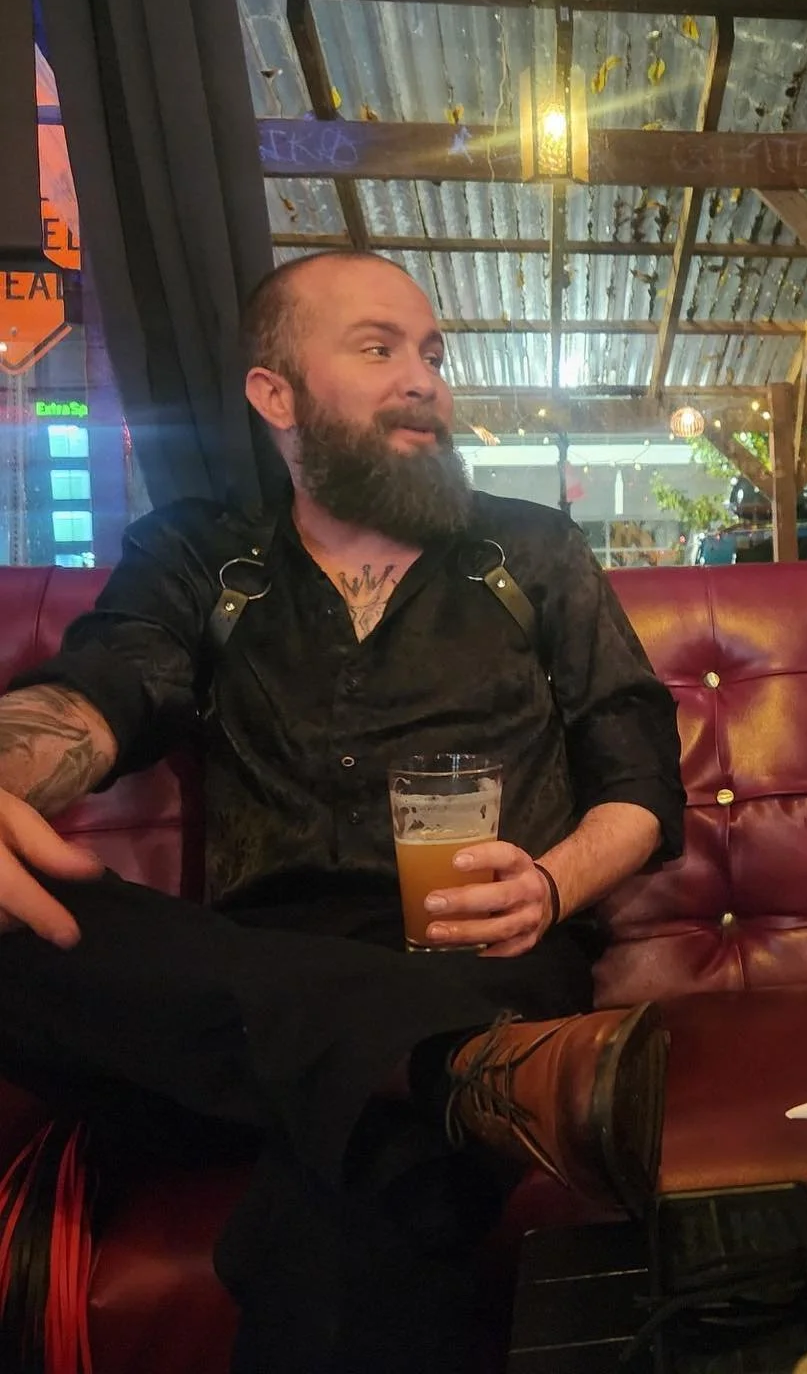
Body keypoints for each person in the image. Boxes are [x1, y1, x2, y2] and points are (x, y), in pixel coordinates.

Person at [0, 249, 685, 1373]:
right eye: (378, 349)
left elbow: (641, 777)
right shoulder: (201, 556)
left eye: (432, 354)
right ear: (275, 394)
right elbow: (108, 688)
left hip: (478, 956)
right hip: (240, 982)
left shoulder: (530, 552)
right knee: (20, 923)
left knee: (359, 1194)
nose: (424, 380)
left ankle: (426, 1066)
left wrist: (552, 885)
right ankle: (463, 1070)